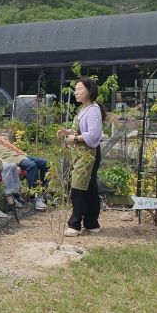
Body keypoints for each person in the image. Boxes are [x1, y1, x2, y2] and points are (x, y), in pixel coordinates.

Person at [58, 77, 104, 236]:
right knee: (89, 188)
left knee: (78, 187)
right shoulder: (84, 109)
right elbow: (80, 130)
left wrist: (76, 138)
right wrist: (67, 132)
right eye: (75, 90)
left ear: (89, 91)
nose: (76, 93)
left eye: (79, 89)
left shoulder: (93, 110)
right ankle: (91, 223)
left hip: (89, 154)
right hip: (81, 154)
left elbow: (93, 134)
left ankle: (75, 224)